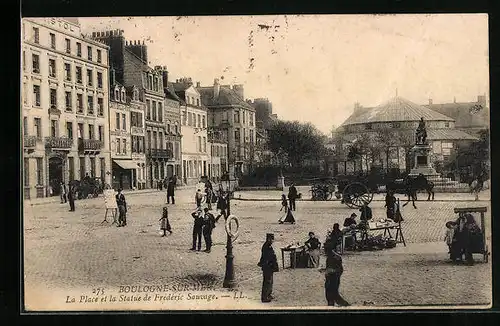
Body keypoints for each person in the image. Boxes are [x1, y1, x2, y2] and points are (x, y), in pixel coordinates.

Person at [257, 233, 279, 303]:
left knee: (270, 281)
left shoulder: (267, 245)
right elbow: (268, 257)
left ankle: (269, 295)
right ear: (268, 239)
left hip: (270, 266)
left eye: (273, 239)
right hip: (267, 267)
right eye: (272, 239)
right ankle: (265, 297)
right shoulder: (266, 246)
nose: (272, 241)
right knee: (267, 282)